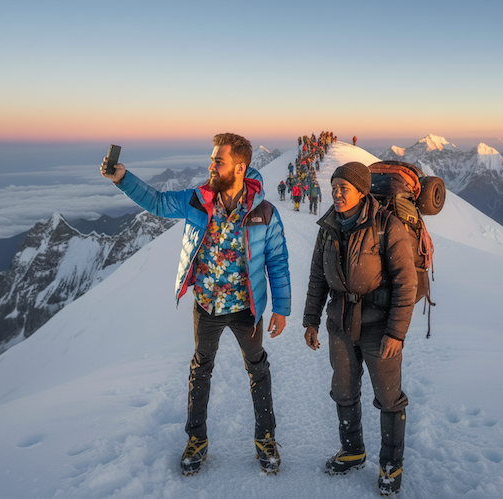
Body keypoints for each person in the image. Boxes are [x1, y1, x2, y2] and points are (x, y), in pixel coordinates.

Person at [101, 133, 291, 475]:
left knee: (257, 369)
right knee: (200, 370)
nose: (211, 166)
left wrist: (281, 308)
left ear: (239, 167)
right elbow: (158, 202)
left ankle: (266, 439)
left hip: (246, 309)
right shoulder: (197, 200)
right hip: (206, 307)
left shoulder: (264, 212)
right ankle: (197, 440)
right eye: (212, 159)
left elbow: (277, 261)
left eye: (218, 161)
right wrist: (122, 179)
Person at [302, 162, 416, 496]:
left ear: (362, 191)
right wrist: (310, 321)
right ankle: (353, 451)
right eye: (334, 187)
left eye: (344, 188)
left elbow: (406, 284)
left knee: (389, 397)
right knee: (344, 391)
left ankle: (390, 465)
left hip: (379, 326)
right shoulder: (328, 228)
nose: (336, 193)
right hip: (339, 323)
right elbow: (317, 277)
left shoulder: (387, 226)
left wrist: (396, 333)